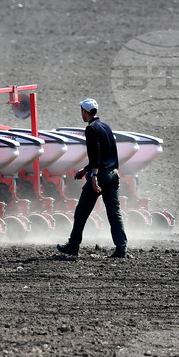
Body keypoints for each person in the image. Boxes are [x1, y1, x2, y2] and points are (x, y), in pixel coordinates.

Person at [56, 98, 129, 259]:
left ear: (84, 111)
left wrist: (93, 175)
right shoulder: (105, 126)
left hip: (101, 175)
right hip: (113, 174)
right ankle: (121, 248)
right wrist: (85, 169)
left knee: (82, 210)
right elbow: (106, 154)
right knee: (114, 213)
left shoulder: (91, 129)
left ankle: (73, 246)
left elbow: (95, 153)